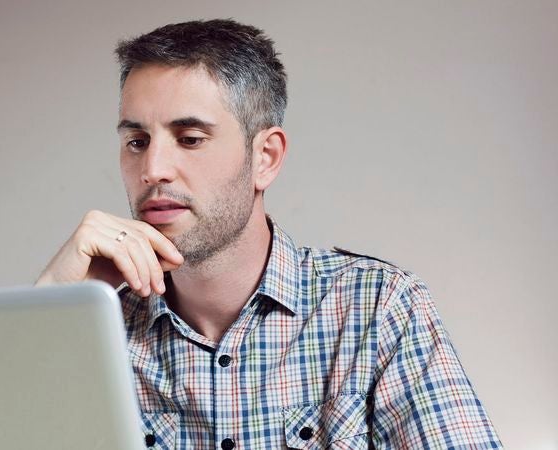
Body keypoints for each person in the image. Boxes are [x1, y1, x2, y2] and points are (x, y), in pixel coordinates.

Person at [36, 19, 502, 449]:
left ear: (266, 157)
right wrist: (49, 306)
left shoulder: (378, 309)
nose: (153, 169)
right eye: (137, 142)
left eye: (190, 139)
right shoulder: (89, 335)